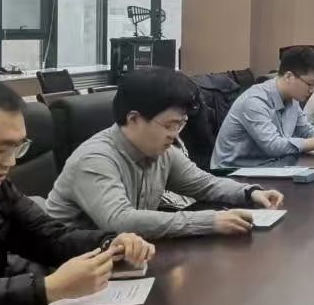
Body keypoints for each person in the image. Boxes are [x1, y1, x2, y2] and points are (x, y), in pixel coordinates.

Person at [46, 68, 284, 239]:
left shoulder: (161, 150)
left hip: (126, 258)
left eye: (180, 124)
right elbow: (120, 221)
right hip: (70, 270)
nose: (175, 134)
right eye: (169, 125)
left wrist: (249, 192)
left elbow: (204, 184)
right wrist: (209, 221)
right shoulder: (95, 159)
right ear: (134, 119)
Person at [0, 82, 154, 305]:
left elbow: (48, 236)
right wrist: (49, 288)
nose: (10, 162)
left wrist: (108, 244)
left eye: (16, 147)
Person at [212, 46, 314, 168]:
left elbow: (305, 131)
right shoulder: (254, 101)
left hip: (267, 165)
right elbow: (273, 146)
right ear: (289, 76)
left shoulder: (292, 99)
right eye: (310, 84)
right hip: (232, 172)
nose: (312, 90)